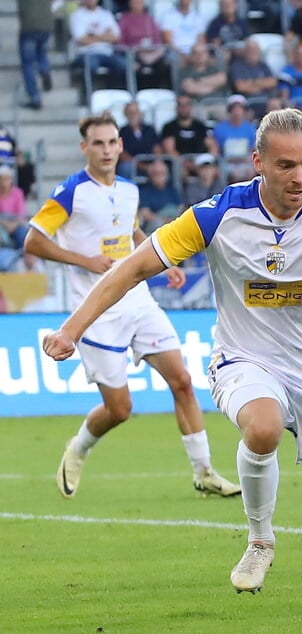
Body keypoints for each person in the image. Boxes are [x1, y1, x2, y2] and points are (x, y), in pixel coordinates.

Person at [40, 108, 302, 596]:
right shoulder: (217, 214)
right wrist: (72, 329)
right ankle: (260, 539)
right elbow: (130, 268)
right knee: (262, 427)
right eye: (287, 165)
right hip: (244, 359)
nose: (300, 177)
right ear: (258, 162)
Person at [24, 114, 240, 500]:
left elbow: (131, 231)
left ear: (121, 145)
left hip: (138, 300)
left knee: (183, 382)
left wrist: (164, 262)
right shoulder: (70, 192)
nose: (107, 150)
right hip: (97, 312)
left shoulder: (127, 189)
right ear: (84, 148)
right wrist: (85, 260)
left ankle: (204, 471)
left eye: (112, 142)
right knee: (120, 409)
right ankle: (79, 447)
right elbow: (33, 241)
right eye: (98, 143)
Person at [17, 0, 53, 110]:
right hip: (45, 24)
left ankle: (35, 96)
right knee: (41, 52)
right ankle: (44, 69)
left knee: (28, 63)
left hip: (29, 25)